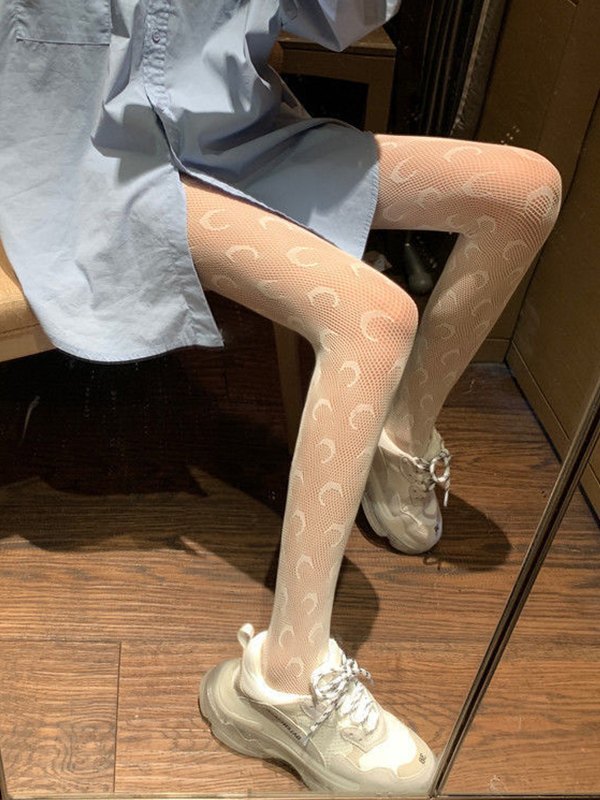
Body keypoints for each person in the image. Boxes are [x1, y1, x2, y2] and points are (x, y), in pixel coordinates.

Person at [0, 0, 562, 794]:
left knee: (526, 191)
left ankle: (400, 439)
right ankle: (281, 682)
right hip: (97, 164)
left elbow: (339, 19)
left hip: (241, 137)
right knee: (375, 318)